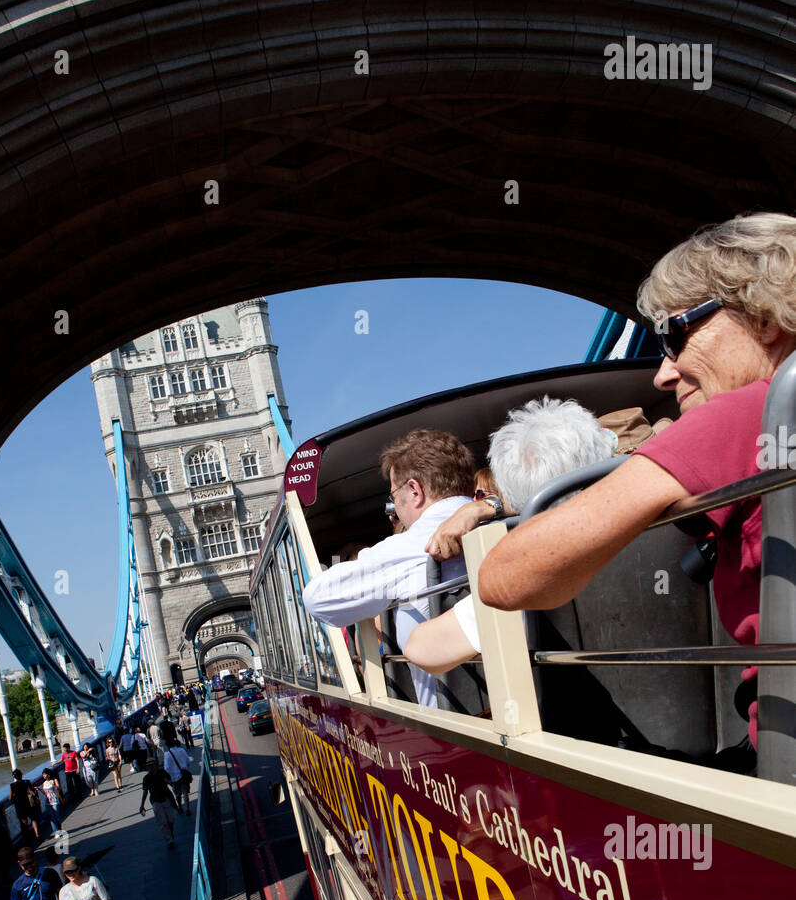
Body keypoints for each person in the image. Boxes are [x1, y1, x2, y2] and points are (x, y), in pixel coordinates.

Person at [475, 211, 796, 755]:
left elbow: (505, 577)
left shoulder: (753, 412)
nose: (662, 372)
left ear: (763, 318)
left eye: (674, 333)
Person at [406, 398, 616, 673]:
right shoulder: (667, 516)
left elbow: (420, 650)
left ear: (512, 494)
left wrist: (486, 508)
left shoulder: (531, 568)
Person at [302, 428, 477, 707]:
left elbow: (316, 598)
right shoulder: (512, 522)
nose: (393, 509)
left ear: (414, 491)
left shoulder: (404, 549)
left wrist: (363, 561)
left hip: (454, 725)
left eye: (393, 498)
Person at [138, 760, 181, 847]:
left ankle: (170, 832)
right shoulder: (146, 778)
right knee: (163, 822)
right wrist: (142, 805)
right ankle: (169, 839)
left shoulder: (162, 773)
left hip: (166, 798)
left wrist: (166, 781)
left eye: (152, 765)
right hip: (155, 801)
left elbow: (170, 782)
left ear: (156, 765)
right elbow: (145, 792)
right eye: (149, 766)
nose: (151, 767)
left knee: (171, 819)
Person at [8, 769, 40, 840]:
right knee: (33, 819)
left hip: (20, 806)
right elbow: (32, 790)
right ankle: (37, 835)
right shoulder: (27, 782)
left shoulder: (12, 785)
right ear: (21, 775)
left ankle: (28, 838)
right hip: (29, 804)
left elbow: (10, 798)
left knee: (24, 823)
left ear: (14, 777)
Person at [164, 740, 193, 816]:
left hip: (174, 778)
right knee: (185, 792)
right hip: (184, 775)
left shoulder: (167, 754)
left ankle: (180, 806)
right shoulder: (182, 750)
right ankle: (187, 809)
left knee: (177, 794)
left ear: (168, 746)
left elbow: (166, 768)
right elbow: (188, 761)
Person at [40, 769, 64, 833]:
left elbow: (58, 788)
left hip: (55, 800)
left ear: (48, 774)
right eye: (43, 774)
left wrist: (53, 785)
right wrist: (40, 789)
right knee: (52, 817)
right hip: (47, 802)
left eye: (44, 774)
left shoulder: (54, 780)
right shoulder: (44, 783)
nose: (43, 776)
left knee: (57, 816)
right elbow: (45, 793)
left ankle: (59, 828)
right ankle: (56, 831)